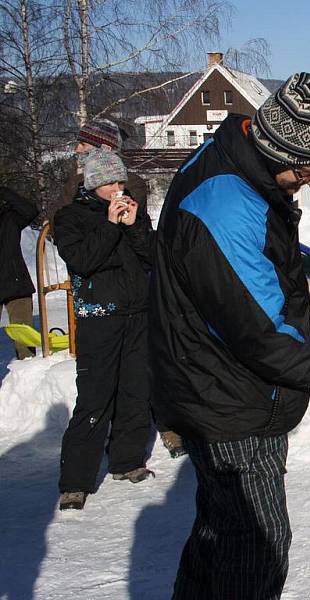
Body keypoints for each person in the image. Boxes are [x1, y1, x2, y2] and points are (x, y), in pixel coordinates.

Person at [149, 72, 310, 599]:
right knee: (256, 545)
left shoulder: (236, 163)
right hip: (232, 403)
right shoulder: (228, 208)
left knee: (216, 538)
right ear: (275, 147)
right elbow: (268, 343)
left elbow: (238, 287)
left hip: (212, 387)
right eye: (309, 170)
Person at [59, 117, 183, 458]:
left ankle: (158, 435)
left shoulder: (132, 188)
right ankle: (81, 473)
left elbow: (143, 249)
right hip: (99, 306)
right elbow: (78, 249)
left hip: (134, 299)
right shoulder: (74, 194)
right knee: (99, 390)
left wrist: (125, 224)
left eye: (85, 146)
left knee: (142, 379)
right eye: (79, 145)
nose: (77, 151)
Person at [54, 150, 155, 511]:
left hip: (137, 313)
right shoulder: (70, 218)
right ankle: (76, 481)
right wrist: (110, 227)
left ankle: (127, 461)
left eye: (121, 181)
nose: (117, 189)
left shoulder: (133, 212)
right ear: (93, 184)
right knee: (95, 397)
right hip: (99, 317)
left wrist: (135, 227)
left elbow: (152, 257)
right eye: (110, 182)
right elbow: (83, 261)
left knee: (135, 391)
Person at [0, 187, 39, 359]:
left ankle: (28, 380)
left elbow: (30, 211)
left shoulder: (8, 218)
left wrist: (3, 191)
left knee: (25, 341)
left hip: (15, 285)